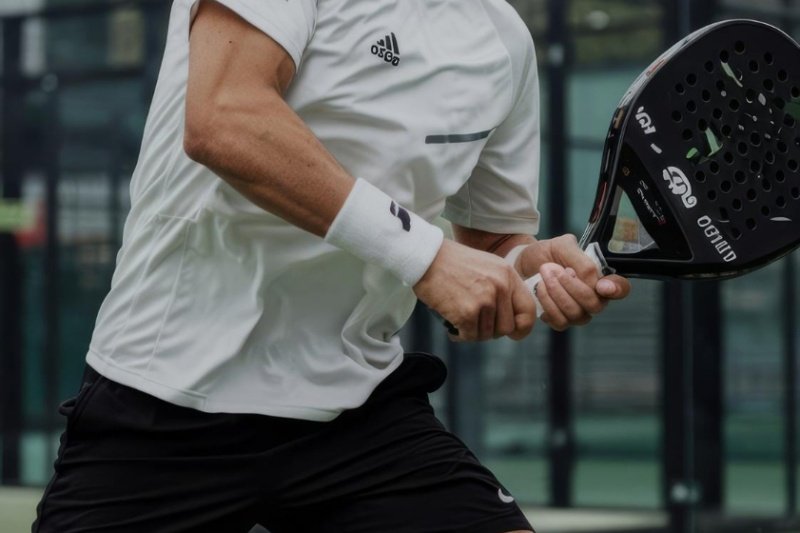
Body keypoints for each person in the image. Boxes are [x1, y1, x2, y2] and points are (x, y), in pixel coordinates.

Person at [33, 0, 630, 531]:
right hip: (168, 395)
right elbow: (224, 117)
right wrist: (427, 256)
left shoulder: (505, 39)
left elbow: (491, 240)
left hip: (356, 406)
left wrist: (530, 268)